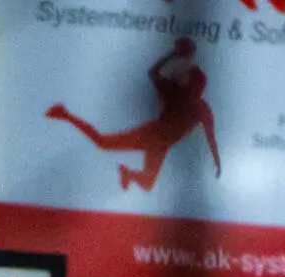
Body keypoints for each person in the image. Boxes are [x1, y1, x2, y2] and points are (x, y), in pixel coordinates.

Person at [46, 39, 222, 189]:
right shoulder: (176, 92)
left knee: (147, 184)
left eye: (199, 86)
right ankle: (65, 114)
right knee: (103, 142)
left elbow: (211, 137)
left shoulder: (202, 108)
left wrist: (217, 161)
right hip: (151, 135)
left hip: (160, 146)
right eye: (193, 85)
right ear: (189, 84)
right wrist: (173, 54)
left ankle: (128, 173)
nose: (196, 89)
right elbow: (153, 73)